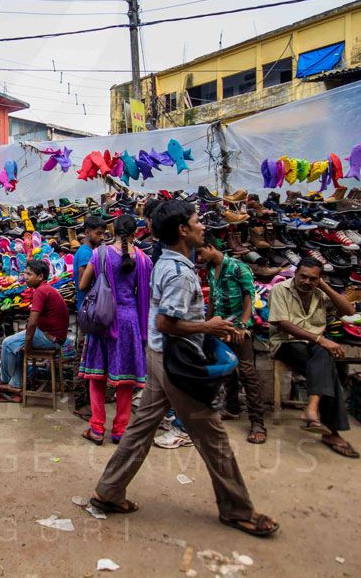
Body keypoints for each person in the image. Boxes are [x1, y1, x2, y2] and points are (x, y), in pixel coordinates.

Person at [90, 200, 278, 538]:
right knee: (213, 436)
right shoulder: (177, 272)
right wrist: (209, 327)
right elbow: (166, 322)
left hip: (159, 357)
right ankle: (238, 510)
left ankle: (109, 491)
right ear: (182, 230)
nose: (202, 226)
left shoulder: (168, 263)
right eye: (196, 221)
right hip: (176, 363)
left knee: (141, 428)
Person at [268, 257, 359, 458]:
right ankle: (331, 432)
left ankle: (313, 410)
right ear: (295, 274)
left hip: (314, 348)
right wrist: (320, 339)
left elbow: (349, 311)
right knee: (326, 358)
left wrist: (325, 286)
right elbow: (283, 324)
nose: (307, 282)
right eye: (303, 277)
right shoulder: (280, 290)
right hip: (286, 344)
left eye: (313, 279)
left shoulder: (318, 291)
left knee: (324, 359)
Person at [77, 214, 152, 444]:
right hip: (130, 321)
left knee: (97, 376)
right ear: (135, 233)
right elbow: (145, 295)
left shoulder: (100, 254)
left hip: (103, 318)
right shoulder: (143, 259)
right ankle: (120, 430)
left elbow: (82, 284)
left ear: (113, 229)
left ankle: (97, 428)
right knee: (126, 380)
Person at [196, 238, 267, 444]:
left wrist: (243, 326)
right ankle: (232, 407)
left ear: (211, 247)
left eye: (201, 253)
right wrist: (206, 324)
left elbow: (249, 297)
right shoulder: (211, 270)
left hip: (237, 327)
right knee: (226, 369)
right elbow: (213, 301)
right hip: (220, 326)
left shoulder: (237, 267)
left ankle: (257, 423)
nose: (200, 258)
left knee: (247, 372)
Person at [0, 258, 70, 403]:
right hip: (54, 337)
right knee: (17, 346)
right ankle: (16, 384)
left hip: (50, 339)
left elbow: (33, 322)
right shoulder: (46, 289)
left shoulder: (41, 291)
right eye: (25, 274)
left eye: (29, 275)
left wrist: (28, 341)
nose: (25, 277)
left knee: (7, 343)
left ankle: (4, 381)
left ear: (40, 276)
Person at [71, 215, 106, 418]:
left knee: (88, 354)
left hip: (91, 309)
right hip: (87, 310)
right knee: (83, 355)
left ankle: (89, 399)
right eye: (98, 233)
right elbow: (84, 282)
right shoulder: (85, 253)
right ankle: (80, 402)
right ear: (87, 233)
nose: (101, 238)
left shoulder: (89, 252)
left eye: (103, 234)